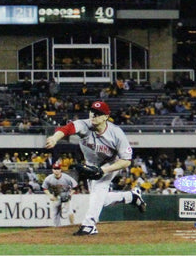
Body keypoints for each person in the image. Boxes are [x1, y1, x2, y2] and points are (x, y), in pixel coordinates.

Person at [45, 100, 146, 236]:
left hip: (112, 164)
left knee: (99, 186)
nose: (93, 115)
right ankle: (131, 197)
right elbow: (67, 129)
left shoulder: (116, 133)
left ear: (106, 117)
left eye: (98, 113)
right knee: (99, 198)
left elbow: (126, 161)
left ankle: (89, 224)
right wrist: (54, 138)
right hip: (91, 164)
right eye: (92, 111)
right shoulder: (84, 125)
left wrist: (103, 170)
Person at [42, 162, 78, 226]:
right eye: (55, 169)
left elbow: (75, 186)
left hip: (66, 194)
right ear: (52, 170)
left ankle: (72, 225)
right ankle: (57, 227)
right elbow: (44, 188)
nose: (56, 171)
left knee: (70, 211)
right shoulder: (49, 178)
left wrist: (70, 194)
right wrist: (50, 195)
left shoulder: (66, 177)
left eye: (58, 169)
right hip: (56, 196)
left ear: (60, 170)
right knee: (55, 213)